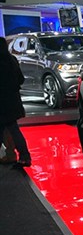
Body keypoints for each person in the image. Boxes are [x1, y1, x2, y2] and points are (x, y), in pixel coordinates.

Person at [0, 39, 32, 168]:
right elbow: (21, 79)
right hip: (12, 101)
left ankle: (20, 155)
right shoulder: (11, 60)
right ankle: (24, 156)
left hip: (2, 103)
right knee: (13, 129)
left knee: (8, 130)